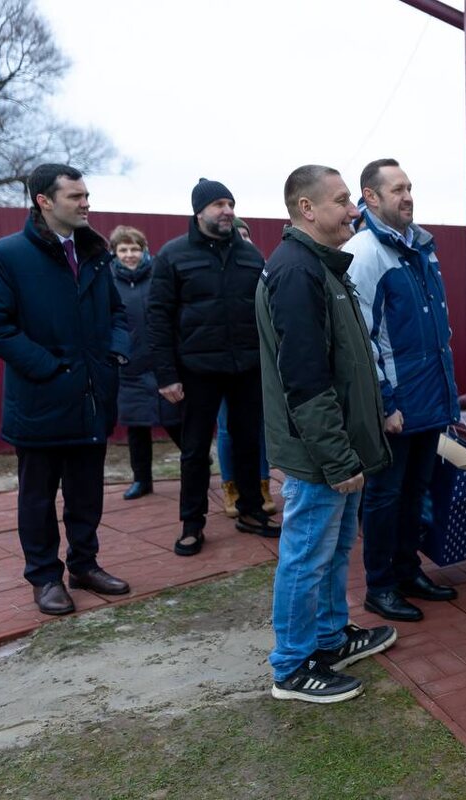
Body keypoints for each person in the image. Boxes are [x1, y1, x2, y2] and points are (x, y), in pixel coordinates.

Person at [0, 163, 133, 615]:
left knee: (87, 491)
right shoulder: (5, 256)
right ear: (44, 201)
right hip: (40, 401)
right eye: (75, 196)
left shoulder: (96, 253)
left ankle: (85, 564)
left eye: (86, 195)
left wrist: (114, 353)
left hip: (92, 397)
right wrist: (47, 367)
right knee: (37, 498)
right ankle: (44, 577)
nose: (86, 203)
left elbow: (117, 313)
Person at [257, 165, 395, 702]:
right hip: (318, 451)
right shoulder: (297, 272)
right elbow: (306, 380)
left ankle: (330, 638)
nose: (353, 211)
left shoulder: (323, 266)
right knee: (305, 555)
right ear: (306, 208)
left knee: (335, 550)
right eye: (341, 201)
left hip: (339, 444)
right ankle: (291, 667)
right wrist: (338, 458)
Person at [343, 158, 460, 623]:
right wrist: (386, 404)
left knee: (416, 491)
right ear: (370, 197)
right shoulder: (365, 252)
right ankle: (380, 585)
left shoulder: (421, 249)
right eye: (396, 189)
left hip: (429, 398)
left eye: (410, 187)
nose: (408, 196)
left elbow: (434, 329)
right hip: (397, 405)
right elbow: (360, 336)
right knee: (385, 497)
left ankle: (409, 571)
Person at [148, 178, 280, 556]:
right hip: (197, 370)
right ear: (199, 211)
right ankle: (192, 524)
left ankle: (251, 511)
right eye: (219, 204)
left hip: (247, 367)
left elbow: (267, 312)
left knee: (248, 441)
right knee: (193, 450)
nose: (227, 210)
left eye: (230, 203)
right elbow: (158, 317)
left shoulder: (251, 256)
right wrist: (166, 374)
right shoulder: (173, 256)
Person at [109, 225, 183, 500]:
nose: (130, 255)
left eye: (135, 249)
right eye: (123, 249)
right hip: (129, 365)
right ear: (115, 253)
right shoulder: (108, 280)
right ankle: (142, 480)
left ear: (144, 250)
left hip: (162, 360)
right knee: (136, 427)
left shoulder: (157, 276)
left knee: (175, 420)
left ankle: (194, 463)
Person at [215, 216, 276, 517]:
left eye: (246, 235)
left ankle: (263, 484)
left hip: (257, 363)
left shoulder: (260, 270)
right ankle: (231, 487)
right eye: (236, 235)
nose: (241, 239)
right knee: (227, 427)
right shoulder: (218, 272)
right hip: (224, 363)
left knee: (260, 427)